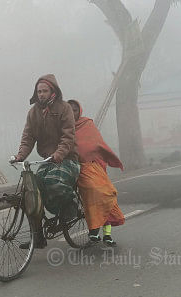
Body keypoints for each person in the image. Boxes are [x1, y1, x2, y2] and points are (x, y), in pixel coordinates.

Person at [10, 74, 80, 249]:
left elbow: (68, 136)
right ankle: (38, 237)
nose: (41, 94)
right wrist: (20, 156)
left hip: (67, 160)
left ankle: (70, 206)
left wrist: (59, 154)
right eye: (38, 91)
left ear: (53, 91)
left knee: (53, 182)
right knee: (31, 193)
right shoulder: (33, 112)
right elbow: (28, 138)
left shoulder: (64, 108)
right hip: (48, 161)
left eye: (44, 91)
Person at [67, 99, 125, 247]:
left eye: (74, 110)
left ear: (79, 111)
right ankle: (94, 231)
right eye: (68, 110)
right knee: (95, 194)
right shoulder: (63, 128)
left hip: (95, 166)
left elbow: (96, 144)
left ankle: (107, 235)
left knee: (109, 195)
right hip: (77, 168)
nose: (72, 113)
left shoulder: (87, 124)